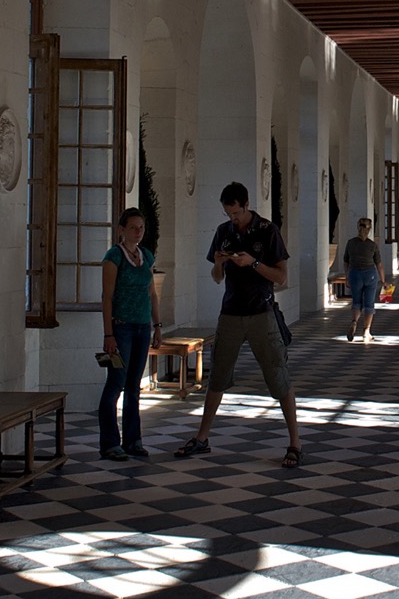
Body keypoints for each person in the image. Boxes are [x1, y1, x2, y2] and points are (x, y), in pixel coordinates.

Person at [177, 182, 303, 467]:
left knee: (277, 374)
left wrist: (253, 263)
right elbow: (216, 277)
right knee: (218, 375)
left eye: (235, 213)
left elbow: (281, 277)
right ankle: (202, 438)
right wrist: (220, 263)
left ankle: (295, 442)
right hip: (231, 312)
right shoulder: (224, 233)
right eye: (227, 213)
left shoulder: (268, 231)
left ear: (246, 205)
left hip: (261, 312)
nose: (232, 219)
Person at [96, 207, 160, 461]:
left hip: (143, 327)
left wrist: (158, 326)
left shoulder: (146, 256)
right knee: (116, 384)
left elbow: (152, 293)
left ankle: (133, 439)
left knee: (134, 385)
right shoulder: (114, 257)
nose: (138, 232)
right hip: (121, 327)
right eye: (133, 227)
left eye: (141, 227)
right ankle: (110, 442)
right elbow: (107, 296)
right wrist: (108, 334)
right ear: (121, 229)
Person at [341, 216, 384, 343]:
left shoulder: (351, 243)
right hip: (370, 274)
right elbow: (379, 264)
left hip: (354, 274)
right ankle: (366, 331)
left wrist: (347, 276)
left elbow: (346, 261)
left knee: (356, 302)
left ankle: (354, 322)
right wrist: (383, 280)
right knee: (369, 304)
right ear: (370, 229)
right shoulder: (372, 245)